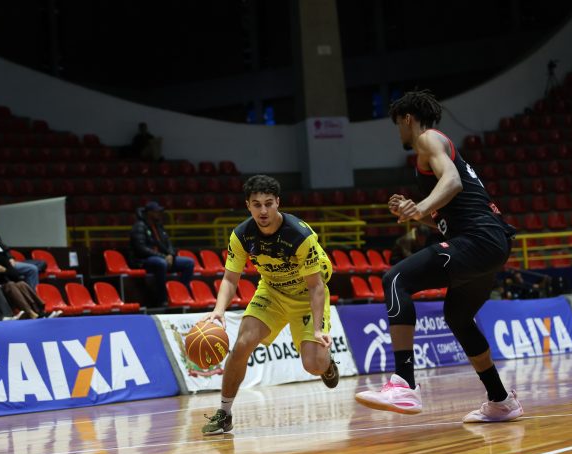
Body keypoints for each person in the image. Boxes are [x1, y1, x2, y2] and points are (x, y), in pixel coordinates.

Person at [354, 90, 523, 423]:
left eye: (398, 125)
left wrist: (420, 206)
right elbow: (447, 214)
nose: (399, 133)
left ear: (407, 119)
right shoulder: (434, 150)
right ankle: (501, 400)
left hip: (478, 239)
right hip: (490, 242)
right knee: (458, 317)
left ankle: (404, 384)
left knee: (395, 279)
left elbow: (453, 181)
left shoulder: (428, 139)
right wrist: (416, 213)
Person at [200, 175, 337, 435]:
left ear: (278, 203)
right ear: (248, 206)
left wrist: (319, 329)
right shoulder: (241, 235)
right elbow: (230, 278)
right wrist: (218, 311)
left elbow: (315, 286)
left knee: (314, 365)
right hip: (272, 291)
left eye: (268, 204)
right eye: (256, 204)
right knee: (242, 344)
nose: (263, 211)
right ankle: (224, 414)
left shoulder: (299, 235)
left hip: (305, 296)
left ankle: (327, 365)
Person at [0, 236, 59, 319]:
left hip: (11, 293)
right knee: (10, 284)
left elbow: (16, 275)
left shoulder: (0, 258)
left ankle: (41, 312)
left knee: (21, 284)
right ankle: (30, 313)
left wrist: (5, 270)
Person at [129, 200, 194, 306]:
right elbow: (141, 249)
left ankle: (179, 293)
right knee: (161, 263)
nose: (159, 213)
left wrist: (171, 255)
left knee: (189, 263)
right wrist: (163, 257)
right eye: (156, 211)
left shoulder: (158, 226)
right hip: (144, 260)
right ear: (149, 213)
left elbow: (168, 243)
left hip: (163, 258)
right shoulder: (139, 226)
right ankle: (162, 299)